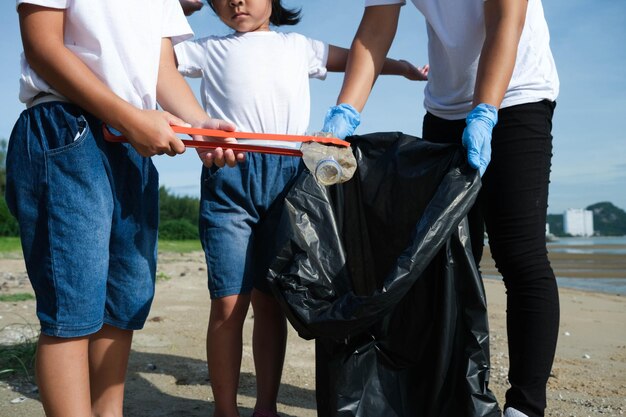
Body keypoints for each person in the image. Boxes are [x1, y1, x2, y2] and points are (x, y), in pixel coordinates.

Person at [175, 1, 427, 416]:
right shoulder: (206, 48)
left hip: (290, 178)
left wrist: (400, 66)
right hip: (229, 178)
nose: (235, 1)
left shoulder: (298, 46)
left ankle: (266, 406)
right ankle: (224, 409)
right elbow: (153, 53)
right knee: (227, 302)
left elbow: (360, 56)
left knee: (270, 300)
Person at [322, 1, 560, 417]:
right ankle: (456, 393)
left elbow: (507, 17)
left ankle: (524, 406)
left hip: (517, 95)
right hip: (445, 109)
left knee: (519, 254)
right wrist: (346, 113)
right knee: (447, 258)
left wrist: (485, 111)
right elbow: (375, 29)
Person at [5, 1, 241, 416]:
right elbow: (43, 44)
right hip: (66, 127)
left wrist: (199, 124)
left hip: (132, 142)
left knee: (125, 299)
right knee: (71, 306)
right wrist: (130, 118)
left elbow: (161, 71)